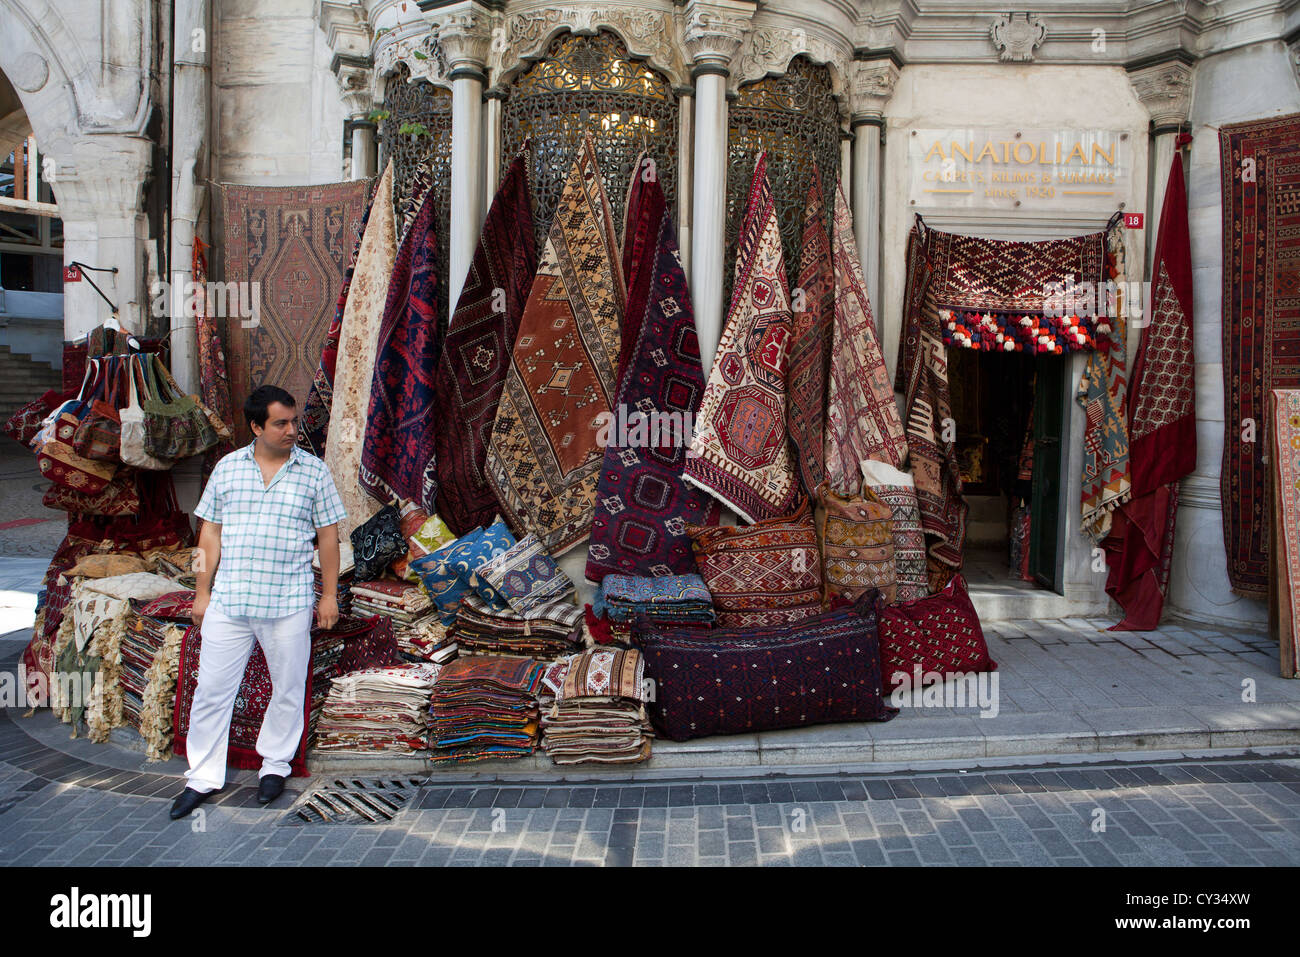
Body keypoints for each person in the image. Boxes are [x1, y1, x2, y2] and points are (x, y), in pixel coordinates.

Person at [169, 385, 345, 820]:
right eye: (280, 423)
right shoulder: (227, 469)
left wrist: (328, 595)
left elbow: (328, 538)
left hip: (287, 600)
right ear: (255, 427)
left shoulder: (314, 472)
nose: (291, 430)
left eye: (293, 421)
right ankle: (203, 776)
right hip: (230, 600)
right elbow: (208, 534)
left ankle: (275, 765)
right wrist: (202, 592)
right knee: (210, 690)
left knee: (286, 688)